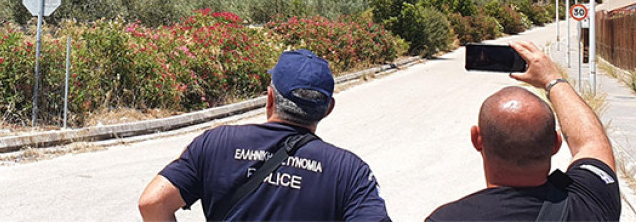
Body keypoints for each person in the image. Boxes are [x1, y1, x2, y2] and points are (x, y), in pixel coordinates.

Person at [139, 49, 390, 221]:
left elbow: (152, 202)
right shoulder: (350, 172)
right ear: (328, 109)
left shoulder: (215, 143)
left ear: (270, 97)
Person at [427, 40, 620, 221]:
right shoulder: (593, 202)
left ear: (477, 139)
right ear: (556, 143)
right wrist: (553, 79)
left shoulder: (447, 218)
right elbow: (592, 143)